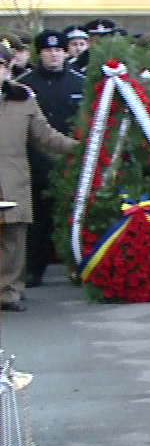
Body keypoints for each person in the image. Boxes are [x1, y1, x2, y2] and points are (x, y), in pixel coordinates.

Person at [0, 75, 79, 310]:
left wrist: (81, 147)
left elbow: (46, 136)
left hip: (12, 180)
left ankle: (8, 292)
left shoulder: (22, 99)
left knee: (13, 239)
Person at [18, 31, 82, 287]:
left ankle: (78, 267)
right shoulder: (24, 86)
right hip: (37, 163)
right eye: (47, 50)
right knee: (38, 221)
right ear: (40, 54)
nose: (53, 54)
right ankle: (34, 269)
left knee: (74, 218)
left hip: (72, 162)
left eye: (58, 50)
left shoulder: (80, 83)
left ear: (65, 53)